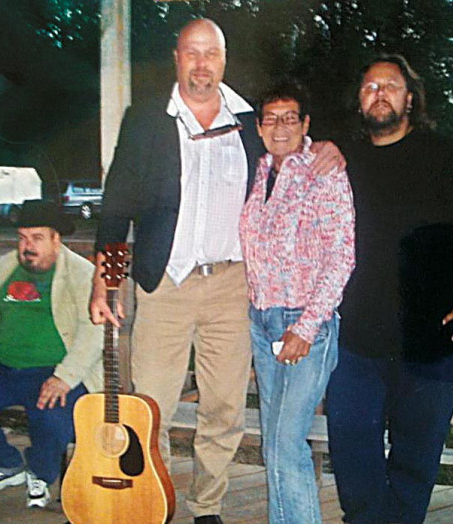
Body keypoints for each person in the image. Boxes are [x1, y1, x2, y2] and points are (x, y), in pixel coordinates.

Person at [89, 18, 344, 524]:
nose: (201, 63)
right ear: (176, 57)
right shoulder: (145, 120)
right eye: (192, 52)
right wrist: (105, 277)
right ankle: (147, 502)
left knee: (224, 412)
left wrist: (334, 148)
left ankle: (206, 507)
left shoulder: (250, 120)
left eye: (211, 53)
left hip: (232, 287)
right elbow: (117, 204)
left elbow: (294, 144)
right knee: (150, 408)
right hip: (165, 284)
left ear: (223, 60)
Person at [326, 54, 453, 524]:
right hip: (358, 344)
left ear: (410, 98)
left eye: (390, 86)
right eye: (370, 87)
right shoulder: (344, 159)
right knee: (352, 451)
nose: (379, 94)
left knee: (415, 465)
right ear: (359, 99)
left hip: (434, 344)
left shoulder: (447, 158)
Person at [239, 82, 355, 524]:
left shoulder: (324, 172)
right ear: (259, 126)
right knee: (275, 441)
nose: (281, 126)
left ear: (306, 125)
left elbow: (342, 256)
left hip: (306, 323)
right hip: (263, 321)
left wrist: (306, 328)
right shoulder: (260, 169)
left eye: (291, 117)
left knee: (285, 444)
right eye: (272, 118)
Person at [0, 200, 103, 509]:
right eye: (23, 237)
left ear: (56, 239)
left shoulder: (81, 273)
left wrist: (63, 377)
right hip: (3, 368)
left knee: (51, 415)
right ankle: (7, 463)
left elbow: (94, 332)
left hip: (55, 368)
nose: (27, 246)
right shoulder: (7, 264)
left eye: (37, 238)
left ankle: (40, 473)